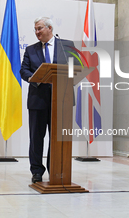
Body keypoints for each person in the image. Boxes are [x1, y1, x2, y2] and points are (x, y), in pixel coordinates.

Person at [20, 17, 79, 183]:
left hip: (62, 100)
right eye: (35, 30)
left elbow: (77, 65)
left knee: (58, 138)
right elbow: (23, 70)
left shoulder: (66, 45)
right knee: (36, 138)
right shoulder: (31, 50)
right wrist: (34, 78)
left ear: (50, 28)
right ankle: (37, 171)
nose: (37, 32)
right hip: (37, 100)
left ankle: (56, 170)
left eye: (39, 28)